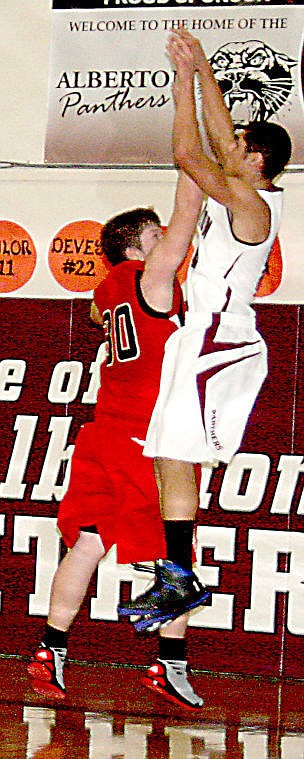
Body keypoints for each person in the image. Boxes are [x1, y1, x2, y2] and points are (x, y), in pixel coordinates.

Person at [119, 29, 292, 629]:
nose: (230, 147)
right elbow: (203, 145)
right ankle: (178, 575)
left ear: (257, 161)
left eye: (240, 145)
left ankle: (180, 577)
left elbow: (197, 154)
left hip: (223, 340)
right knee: (168, 453)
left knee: (176, 453)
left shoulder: (253, 205)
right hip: (200, 337)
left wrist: (192, 79)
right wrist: (193, 75)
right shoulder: (238, 188)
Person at [27, 169, 210, 710]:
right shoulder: (151, 280)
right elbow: (184, 221)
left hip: (101, 431)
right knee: (176, 554)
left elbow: (102, 309)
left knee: (86, 542)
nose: (167, 242)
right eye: (155, 236)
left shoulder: (105, 292)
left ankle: (50, 647)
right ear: (138, 245)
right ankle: (169, 663)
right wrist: (197, 167)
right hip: (141, 433)